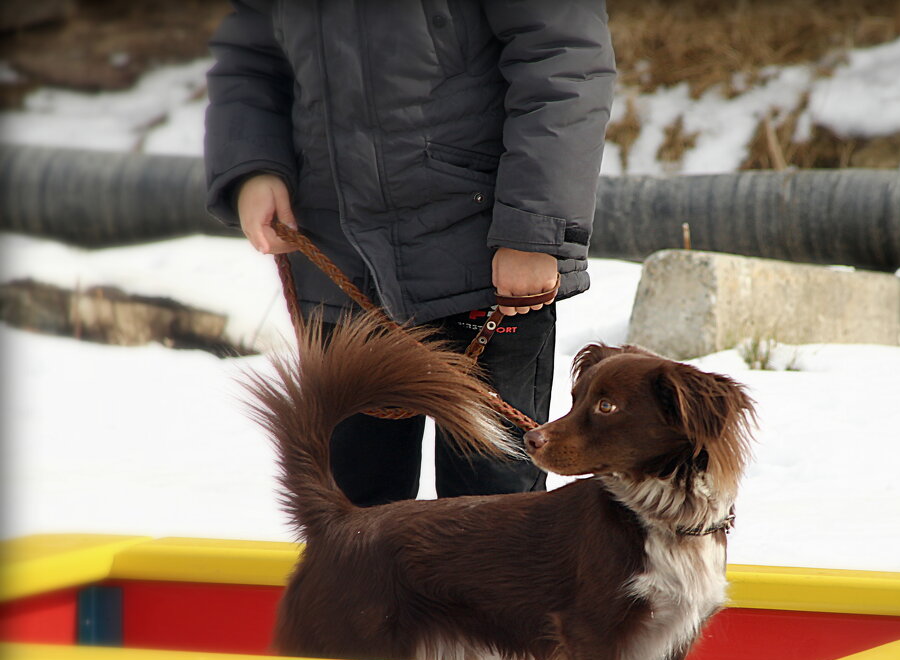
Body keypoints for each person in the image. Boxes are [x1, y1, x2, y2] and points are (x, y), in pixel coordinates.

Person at [203, 1, 615, 505]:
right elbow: (251, 56)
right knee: (349, 517)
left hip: (487, 265)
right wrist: (253, 164)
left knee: (490, 522)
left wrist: (533, 232)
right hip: (337, 265)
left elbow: (563, 57)